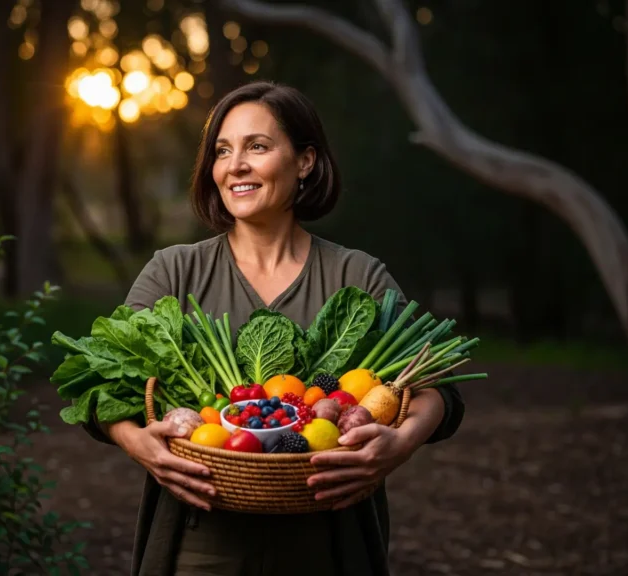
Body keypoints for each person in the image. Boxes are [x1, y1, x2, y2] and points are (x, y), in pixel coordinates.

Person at [83, 80, 465, 576]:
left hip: (330, 539)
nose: (234, 165)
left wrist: (402, 442)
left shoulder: (356, 274)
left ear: (305, 161)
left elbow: (436, 384)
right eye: (222, 150)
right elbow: (100, 385)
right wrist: (138, 444)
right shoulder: (174, 272)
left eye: (256, 147)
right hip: (199, 542)